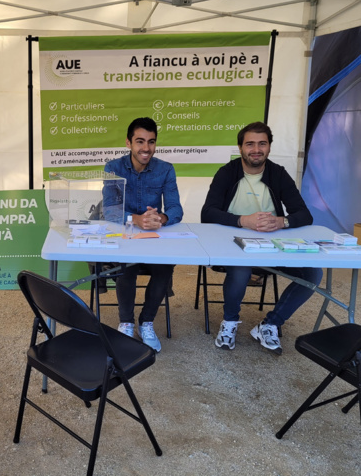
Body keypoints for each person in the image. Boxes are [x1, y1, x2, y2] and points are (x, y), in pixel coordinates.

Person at [201, 121, 322, 355]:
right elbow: (207, 213)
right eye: (250, 144)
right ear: (240, 147)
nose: (256, 149)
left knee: (313, 273)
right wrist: (242, 220)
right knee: (241, 268)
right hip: (232, 243)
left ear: (269, 147)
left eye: (262, 144)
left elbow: (304, 214)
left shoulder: (278, 173)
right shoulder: (227, 172)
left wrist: (281, 221)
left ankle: (270, 324)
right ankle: (229, 322)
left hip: (272, 245)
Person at [103, 117, 183, 352]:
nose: (146, 148)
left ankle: (146, 322)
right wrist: (136, 219)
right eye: (140, 141)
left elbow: (176, 208)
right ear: (128, 143)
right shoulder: (113, 168)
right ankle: (126, 322)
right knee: (127, 267)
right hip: (125, 235)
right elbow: (109, 210)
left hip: (154, 237)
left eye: (151, 142)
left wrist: (162, 218)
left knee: (165, 267)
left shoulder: (166, 169)